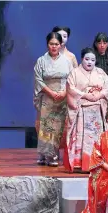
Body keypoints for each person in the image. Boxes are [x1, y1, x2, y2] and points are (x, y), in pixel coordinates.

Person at [64, 47, 108, 173]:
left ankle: (97, 163)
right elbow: (71, 88)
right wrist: (85, 95)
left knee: (96, 138)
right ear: (82, 59)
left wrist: (99, 95)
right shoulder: (75, 73)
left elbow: (106, 88)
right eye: (87, 59)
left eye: (93, 60)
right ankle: (80, 164)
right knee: (81, 137)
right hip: (82, 111)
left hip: (97, 110)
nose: (89, 62)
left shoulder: (101, 73)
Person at [33, 31, 74, 167]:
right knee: (46, 126)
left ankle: (54, 154)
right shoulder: (41, 61)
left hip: (62, 97)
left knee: (57, 127)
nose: (54, 47)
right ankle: (44, 153)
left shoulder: (66, 61)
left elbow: (71, 79)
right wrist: (50, 92)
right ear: (47, 44)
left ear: (60, 44)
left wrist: (64, 92)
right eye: (51, 44)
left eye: (56, 44)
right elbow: (38, 80)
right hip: (47, 96)